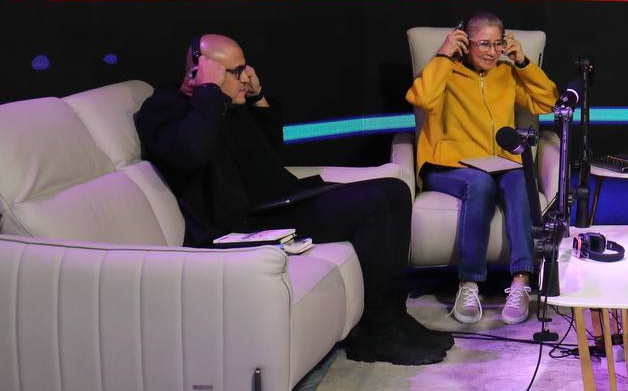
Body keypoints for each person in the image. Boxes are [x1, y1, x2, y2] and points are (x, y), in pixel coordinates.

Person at [135, 34, 450, 367]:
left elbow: (270, 154)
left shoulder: (223, 105)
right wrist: (209, 92)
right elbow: (190, 153)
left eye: (245, 68)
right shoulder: (165, 108)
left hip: (279, 200)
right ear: (198, 72)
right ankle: (378, 333)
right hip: (242, 221)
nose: (245, 77)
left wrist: (257, 99)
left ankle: (395, 319)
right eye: (236, 71)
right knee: (372, 204)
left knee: (394, 190)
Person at [406, 13, 558, 326]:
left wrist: (522, 62)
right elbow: (422, 98)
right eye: (483, 44)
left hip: (498, 163)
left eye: (497, 44)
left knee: (520, 180)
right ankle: (469, 283)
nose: (491, 52)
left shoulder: (506, 73)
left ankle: (520, 281)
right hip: (448, 165)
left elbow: (547, 101)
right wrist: (444, 53)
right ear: (466, 43)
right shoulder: (446, 70)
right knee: (480, 184)